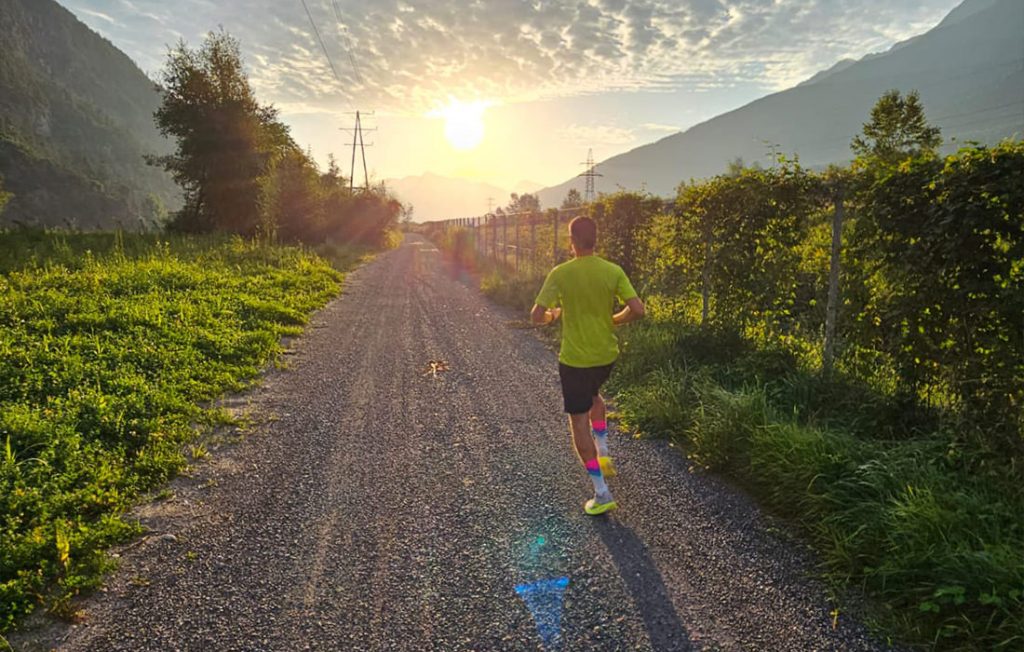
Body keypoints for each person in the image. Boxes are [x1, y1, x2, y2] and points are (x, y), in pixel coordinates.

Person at [530, 216, 644, 515]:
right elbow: (637, 309)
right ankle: (604, 452)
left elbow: (535, 315)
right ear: (595, 239)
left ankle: (601, 492)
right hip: (606, 357)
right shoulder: (612, 270)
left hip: (576, 361)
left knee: (578, 421)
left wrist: (553, 316)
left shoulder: (561, 273)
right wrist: (615, 320)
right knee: (594, 396)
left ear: (571, 241)